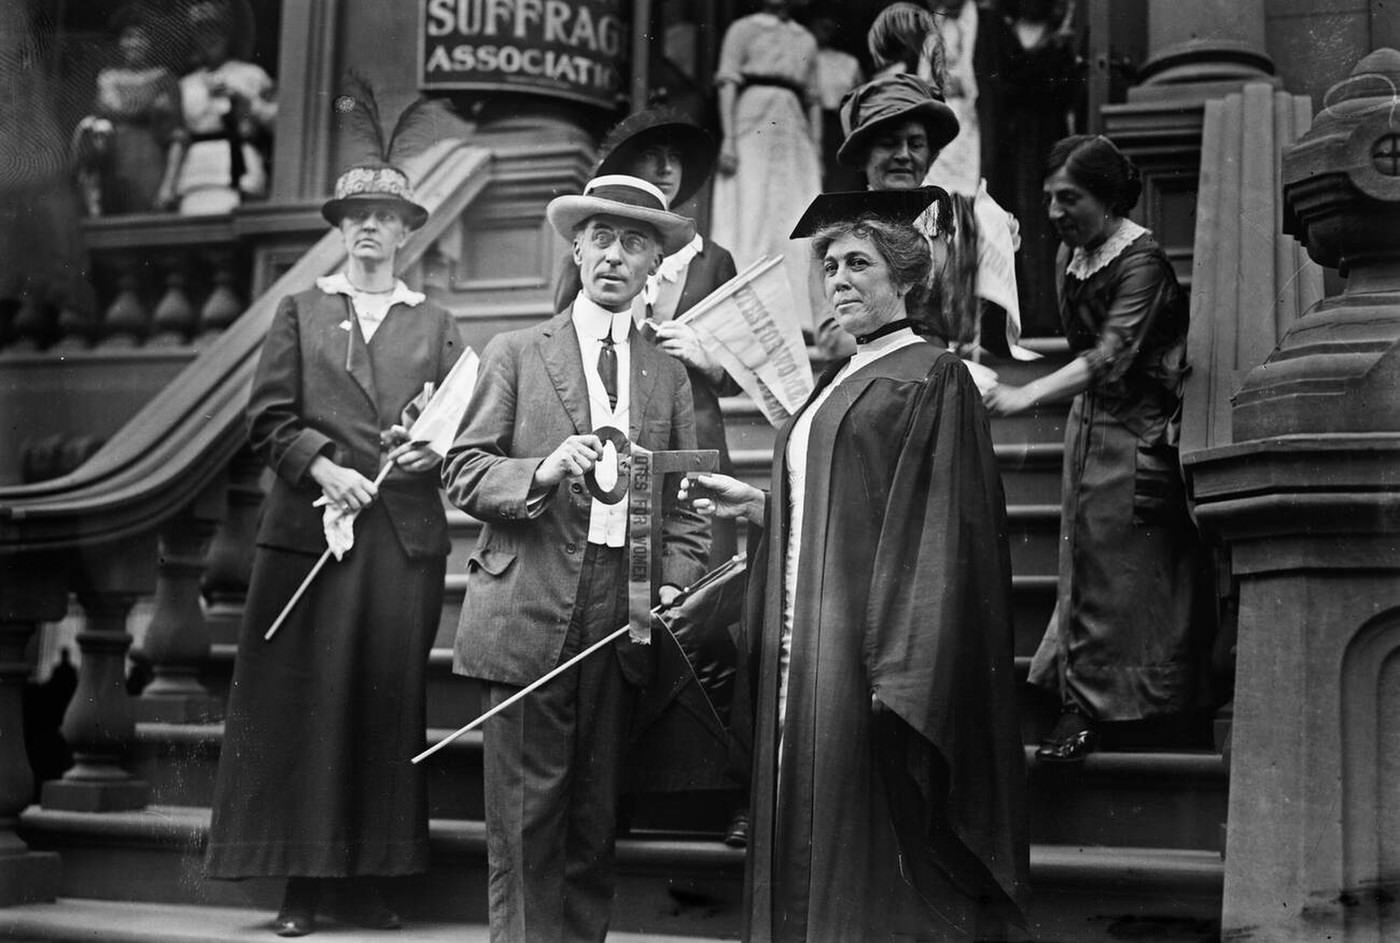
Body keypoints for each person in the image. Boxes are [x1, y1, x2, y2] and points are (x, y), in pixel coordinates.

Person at [683, 187, 1028, 942]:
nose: (837, 278)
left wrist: (903, 670)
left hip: (866, 659)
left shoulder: (932, 374)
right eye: (831, 264)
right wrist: (759, 503)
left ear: (907, 278)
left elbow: (942, 532)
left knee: (859, 842)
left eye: (858, 263)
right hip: (802, 647)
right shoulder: (837, 379)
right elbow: (841, 509)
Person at [443, 173, 710, 942]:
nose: (615, 257)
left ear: (653, 264)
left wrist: (675, 587)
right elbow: (462, 468)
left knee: (594, 819)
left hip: (622, 609)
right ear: (577, 248)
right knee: (527, 821)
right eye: (601, 238)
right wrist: (542, 470)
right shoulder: (519, 351)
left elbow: (689, 504)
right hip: (527, 600)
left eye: (634, 243)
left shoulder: (668, 374)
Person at [203, 154, 464, 937]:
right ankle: (303, 885)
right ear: (342, 231)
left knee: (382, 709)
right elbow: (266, 418)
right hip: (307, 538)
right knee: (301, 708)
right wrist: (324, 467)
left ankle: (368, 881)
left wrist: (426, 454)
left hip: (398, 542)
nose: (371, 230)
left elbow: (460, 428)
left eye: (386, 217)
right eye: (358, 218)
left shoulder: (435, 322)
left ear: (408, 230)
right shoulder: (301, 312)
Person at [551, 107, 750, 842]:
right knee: (622, 616)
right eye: (650, 157)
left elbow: (745, 369)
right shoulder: (599, 251)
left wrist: (705, 356)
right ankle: (623, 791)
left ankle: (715, 791)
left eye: (674, 161)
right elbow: (564, 358)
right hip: (623, 451)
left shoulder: (714, 261)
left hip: (694, 451)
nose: (664, 170)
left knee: (698, 613)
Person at [984, 134, 1204, 762]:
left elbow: (1111, 355)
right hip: (1090, 428)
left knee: (1125, 576)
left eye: (1069, 199)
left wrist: (1028, 396)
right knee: (1083, 567)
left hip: (1137, 434)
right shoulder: (1070, 255)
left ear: (1108, 200)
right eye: (1050, 198)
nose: (1054, 212)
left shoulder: (1143, 264)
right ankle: (1079, 700)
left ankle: (1129, 710)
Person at [827, 71, 1023, 389]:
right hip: (874, 389)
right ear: (864, 156)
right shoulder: (838, 228)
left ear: (930, 157)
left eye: (916, 144)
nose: (904, 155)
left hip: (948, 387)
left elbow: (977, 326)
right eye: (889, 144)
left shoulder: (952, 222)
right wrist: (927, 361)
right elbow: (834, 337)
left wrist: (991, 247)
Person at [710, 0, 823, 337]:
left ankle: (799, 318)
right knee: (751, 212)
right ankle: (745, 318)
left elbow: (814, 99)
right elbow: (727, 83)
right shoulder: (743, 29)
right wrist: (729, 139)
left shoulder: (804, 39)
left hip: (792, 123)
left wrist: (816, 150)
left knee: (794, 216)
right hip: (752, 117)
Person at [165, 0, 276, 214]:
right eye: (202, 32)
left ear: (228, 34)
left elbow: (275, 123)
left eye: (215, 29)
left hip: (240, 166)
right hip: (197, 171)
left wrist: (244, 101)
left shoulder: (252, 75)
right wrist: (169, 186)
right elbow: (180, 136)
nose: (209, 38)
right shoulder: (185, 85)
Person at [71, 9, 182, 215]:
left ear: (151, 42)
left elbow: (173, 128)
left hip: (150, 157)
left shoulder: (164, 78)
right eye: (129, 36)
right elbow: (106, 108)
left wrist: (125, 109)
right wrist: (150, 107)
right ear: (120, 42)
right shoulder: (108, 77)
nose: (135, 43)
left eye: (142, 37)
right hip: (115, 159)